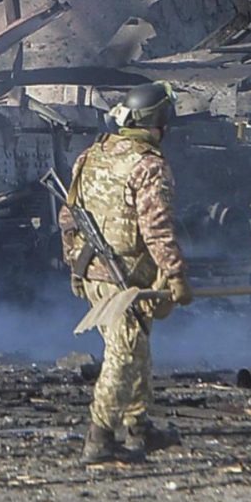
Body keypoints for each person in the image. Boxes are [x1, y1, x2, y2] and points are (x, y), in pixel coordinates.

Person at [60, 81, 192, 465]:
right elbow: (157, 227)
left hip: (94, 271)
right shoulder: (148, 165)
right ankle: (99, 437)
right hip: (126, 277)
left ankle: (138, 428)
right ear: (156, 125)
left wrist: (74, 265)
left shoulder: (92, 155)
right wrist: (176, 275)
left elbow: (68, 216)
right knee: (123, 354)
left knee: (136, 348)